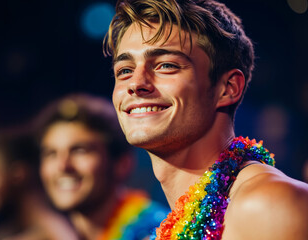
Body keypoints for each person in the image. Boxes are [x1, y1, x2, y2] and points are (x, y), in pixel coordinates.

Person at [103, 0, 308, 239]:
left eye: (166, 65)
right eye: (125, 70)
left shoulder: (267, 205)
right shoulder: (171, 225)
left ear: (228, 88)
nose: (136, 84)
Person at [33, 93, 169, 240]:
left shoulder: (158, 231)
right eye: (51, 154)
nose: (62, 166)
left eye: (80, 150)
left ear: (122, 164)